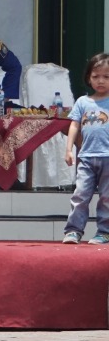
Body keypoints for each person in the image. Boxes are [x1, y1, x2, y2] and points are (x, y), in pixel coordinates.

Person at [62, 52, 109, 244]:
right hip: (87, 156)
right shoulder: (82, 102)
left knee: (107, 197)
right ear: (88, 78)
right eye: (96, 76)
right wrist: (68, 149)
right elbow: (74, 125)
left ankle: (104, 232)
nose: (100, 81)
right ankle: (74, 230)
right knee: (80, 194)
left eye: (106, 76)